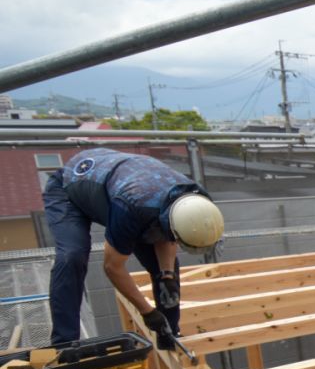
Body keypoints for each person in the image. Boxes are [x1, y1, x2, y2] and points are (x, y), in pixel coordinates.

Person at [42, 148, 225, 346]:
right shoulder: (132, 207)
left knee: (168, 272)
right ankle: (63, 342)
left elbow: (169, 236)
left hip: (119, 186)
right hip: (70, 188)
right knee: (72, 256)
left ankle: (169, 335)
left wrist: (167, 275)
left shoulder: (196, 200)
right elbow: (113, 267)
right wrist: (147, 312)